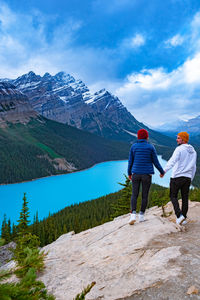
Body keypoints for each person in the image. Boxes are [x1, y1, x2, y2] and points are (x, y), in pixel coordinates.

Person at [128, 129, 165, 224]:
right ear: (147, 137)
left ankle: (132, 215)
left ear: (138, 137)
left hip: (135, 173)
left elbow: (130, 162)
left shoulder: (133, 147)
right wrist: (162, 171)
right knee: (145, 195)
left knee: (134, 194)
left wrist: (129, 173)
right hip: (147, 175)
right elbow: (155, 162)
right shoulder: (150, 147)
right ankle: (141, 216)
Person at [161, 132, 197, 225]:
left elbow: (172, 161)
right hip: (187, 178)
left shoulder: (179, 149)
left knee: (173, 196)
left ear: (183, 139)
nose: (177, 140)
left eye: (178, 138)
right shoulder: (193, 151)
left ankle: (179, 216)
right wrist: (190, 178)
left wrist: (164, 171)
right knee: (185, 198)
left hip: (177, 177)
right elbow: (194, 167)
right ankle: (183, 218)